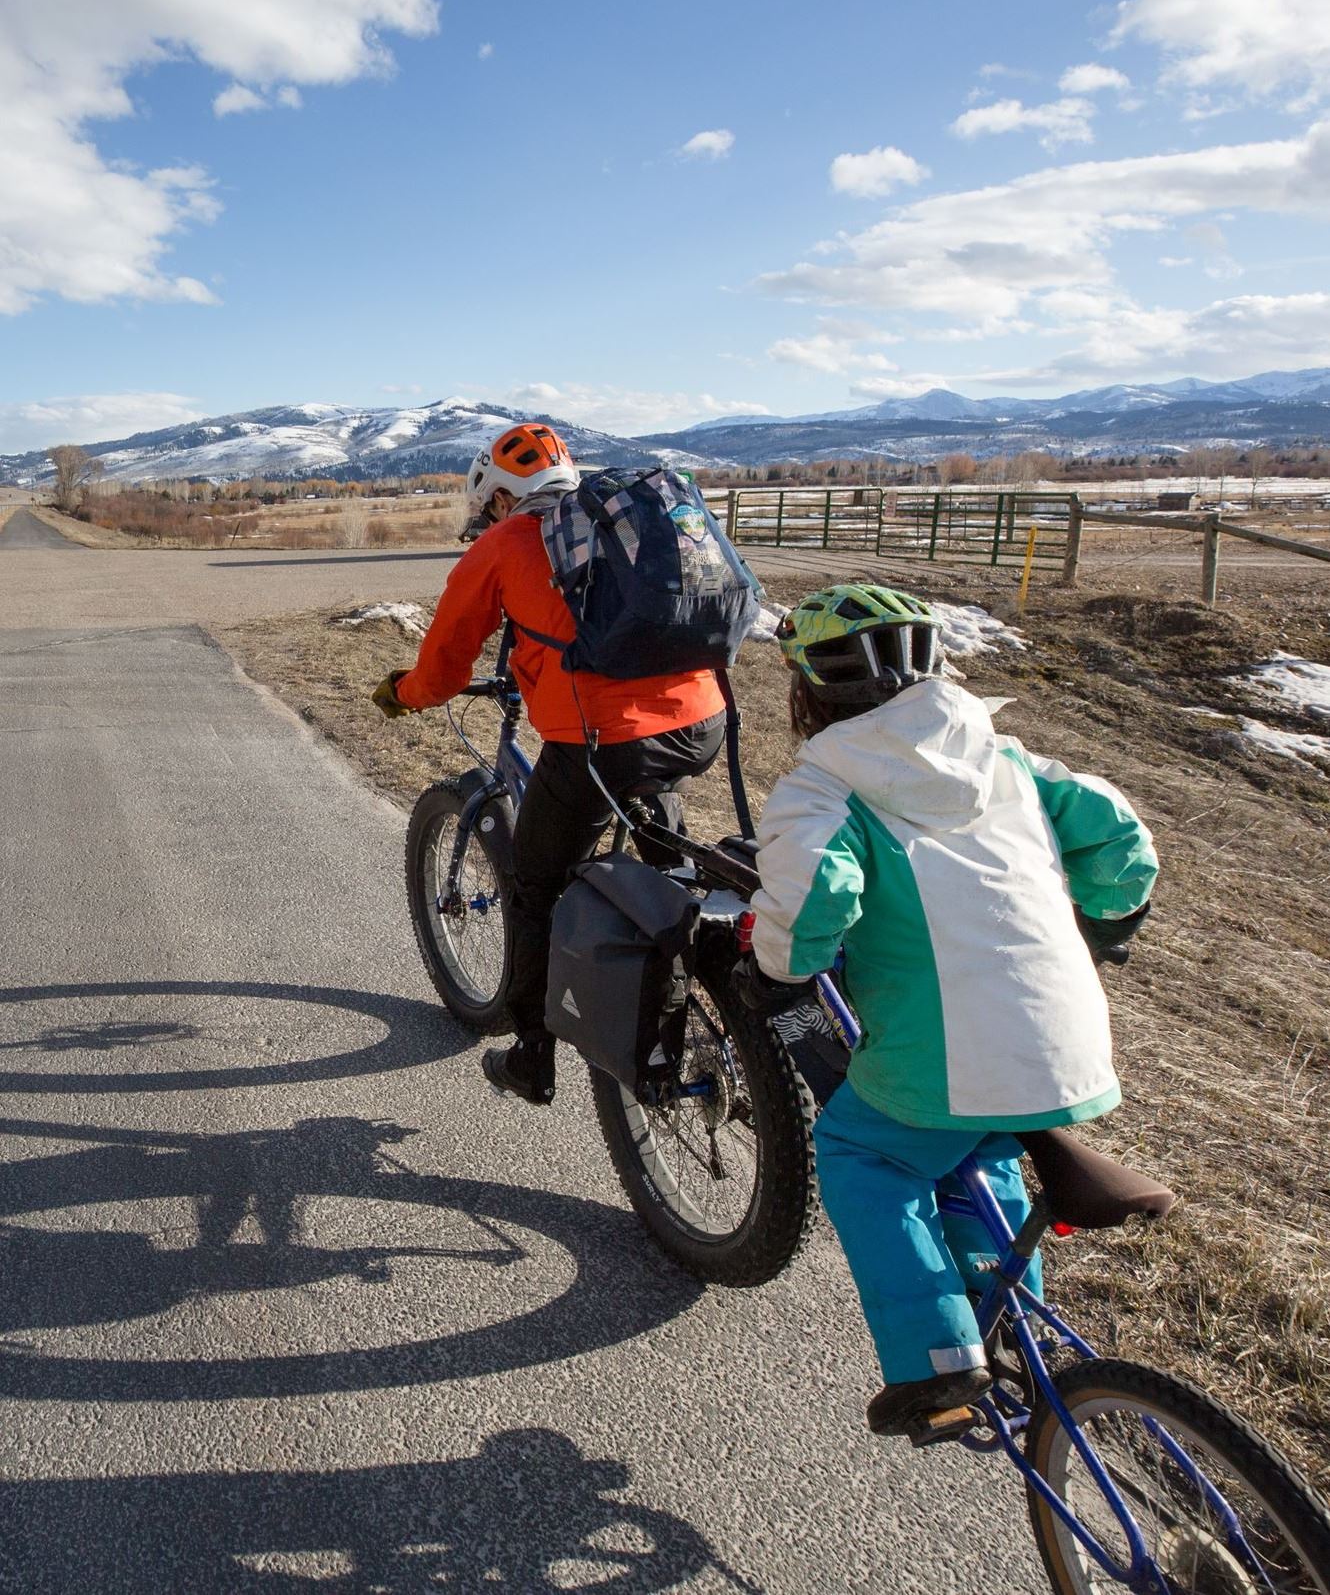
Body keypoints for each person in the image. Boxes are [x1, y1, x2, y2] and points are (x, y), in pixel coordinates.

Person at [735, 583, 1157, 1442]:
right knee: (981, 1152)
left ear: (807, 689)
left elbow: (813, 898)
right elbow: (1121, 839)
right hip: (1071, 1046)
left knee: (862, 1152)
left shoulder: (827, 785)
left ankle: (937, 1361)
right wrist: (1103, 921)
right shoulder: (1008, 760)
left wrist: (780, 970)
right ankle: (1012, 1332)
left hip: (950, 1058)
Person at [372, 422, 726, 1104]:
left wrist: (404, 695)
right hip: (702, 718)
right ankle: (696, 964)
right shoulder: (624, 521)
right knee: (662, 852)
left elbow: (444, 664)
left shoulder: (507, 543)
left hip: (607, 742)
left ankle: (533, 1057)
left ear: (502, 499)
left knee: (535, 883)